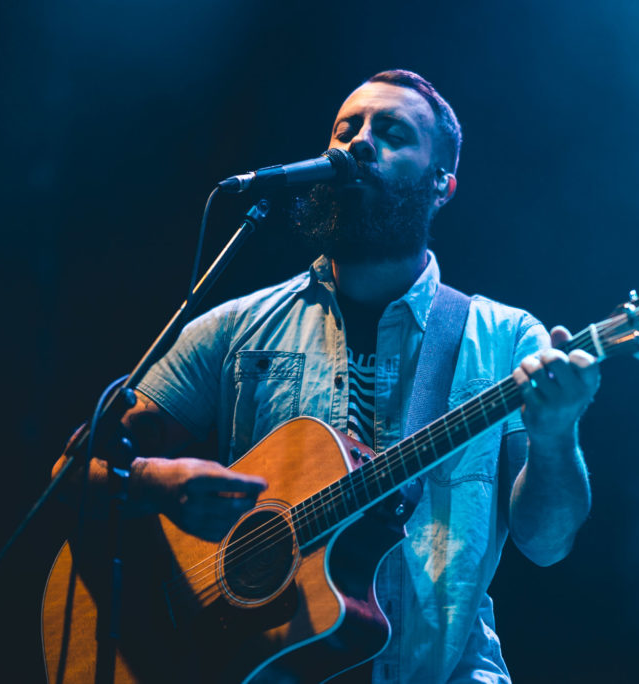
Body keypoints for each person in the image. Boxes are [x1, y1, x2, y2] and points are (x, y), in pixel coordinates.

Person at [54, 69, 599, 683]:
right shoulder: (237, 327)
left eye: (391, 131)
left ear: (442, 184)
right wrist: (159, 485)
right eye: (347, 129)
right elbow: (73, 473)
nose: (359, 143)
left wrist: (556, 436)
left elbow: (548, 544)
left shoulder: (505, 340)